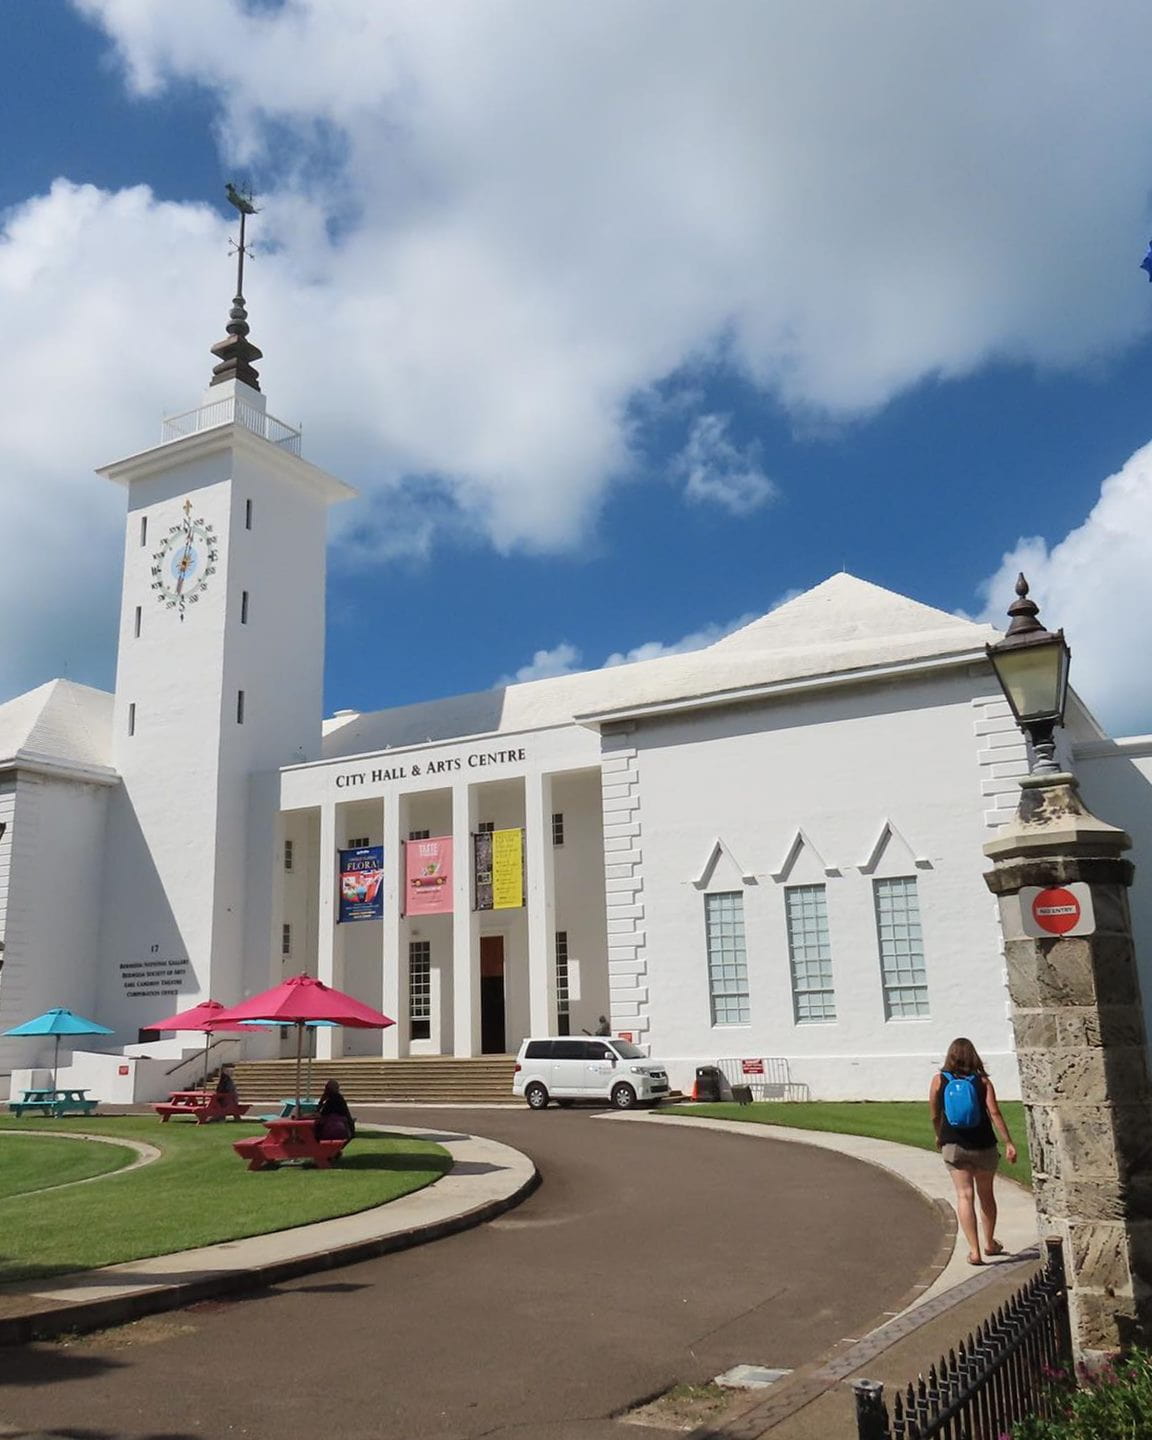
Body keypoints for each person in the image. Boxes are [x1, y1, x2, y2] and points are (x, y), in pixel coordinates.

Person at [929, 1037, 1017, 1265]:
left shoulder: (939, 1080)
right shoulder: (983, 1082)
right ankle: (989, 1243)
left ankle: (974, 1251)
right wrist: (1008, 1142)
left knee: (964, 1195)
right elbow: (994, 1113)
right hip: (983, 1144)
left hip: (954, 1145)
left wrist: (939, 1135)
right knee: (986, 1194)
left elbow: (935, 1114)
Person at [314, 1078, 355, 1144]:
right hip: (345, 1131)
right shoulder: (340, 1099)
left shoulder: (330, 1101)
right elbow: (347, 1114)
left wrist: (321, 1101)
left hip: (329, 1131)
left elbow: (320, 1114)